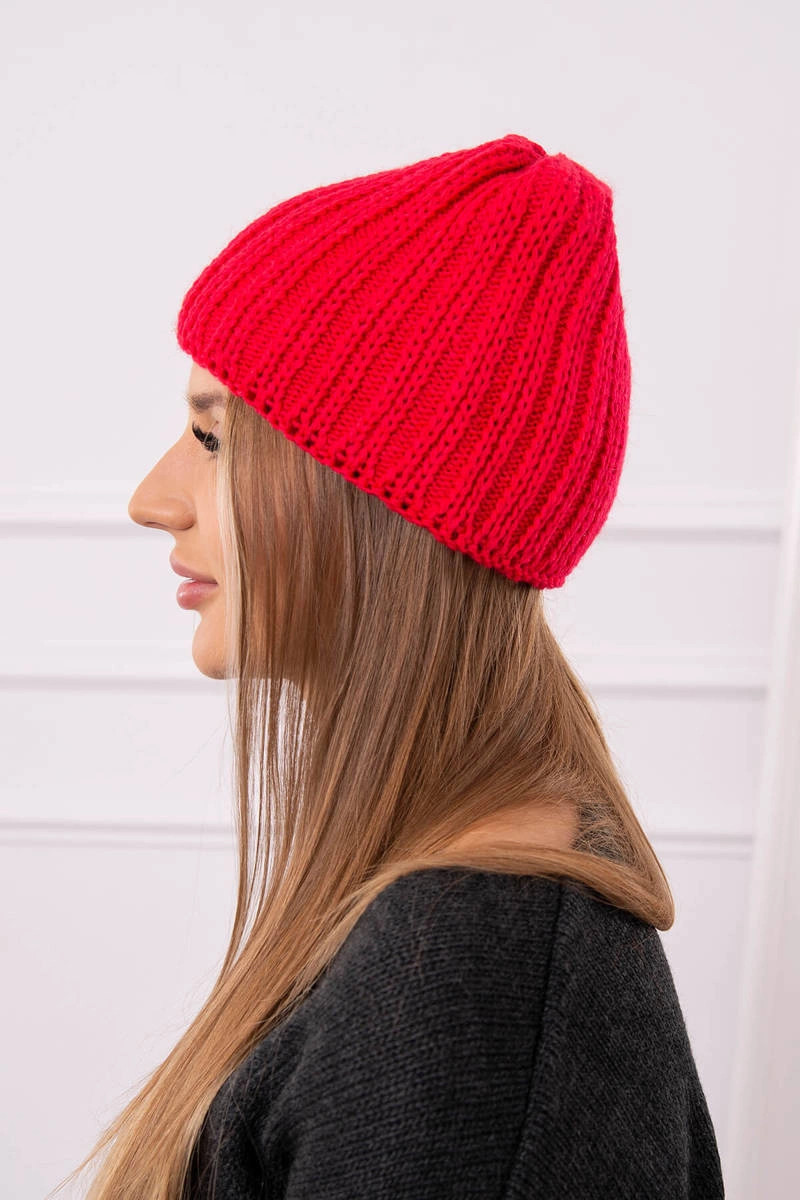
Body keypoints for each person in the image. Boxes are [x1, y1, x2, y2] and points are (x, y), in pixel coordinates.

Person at [52, 133, 724, 1199]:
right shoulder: (455, 929)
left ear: (378, 506)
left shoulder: (474, 982)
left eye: (216, 440)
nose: (152, 499)